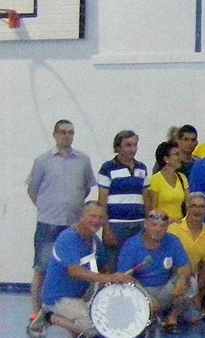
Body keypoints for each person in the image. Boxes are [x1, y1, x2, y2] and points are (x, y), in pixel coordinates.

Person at [26, 120, 97, 326]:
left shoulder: (83, 160)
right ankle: (36, 315)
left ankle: (68, 311)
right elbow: (32, 189)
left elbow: (86, 188)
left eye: (70, 132)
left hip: (74, 226)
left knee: (76, 269)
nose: (67, 136)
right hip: (48, 223)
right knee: (41, 269)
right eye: (63, 132)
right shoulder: (42, 161)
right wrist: (46, 208)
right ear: (55, 135)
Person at [30, 202, 135, 338]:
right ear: (81, 216)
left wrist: (117, 282)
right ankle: (48, 316)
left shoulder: (95, 241)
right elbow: (75, 272)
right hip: (58, 298)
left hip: (80, 296)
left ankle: (73, 325)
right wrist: (111, 278)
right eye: (92, 216)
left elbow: (105, 268)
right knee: (96, 329)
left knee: (106, 321)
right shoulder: (68, 238)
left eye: (100, 217)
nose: (96, 221)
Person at [117, 209, 192, 332]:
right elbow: (124, 276)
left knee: (190, 282)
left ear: (167, 227)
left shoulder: (173, 241)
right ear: (145, 224)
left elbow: (185, 267)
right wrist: (145, 296)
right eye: (154, 225)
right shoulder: (131, 245)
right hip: (142, 290)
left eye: (162, 226)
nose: (158, 229)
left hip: (166, 289)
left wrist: (182, 279)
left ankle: (172, 318)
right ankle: (149, 316)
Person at [97, 130, 149, 269]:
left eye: (135, 145)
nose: (133, 149)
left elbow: (146, 198)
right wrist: (106, 229)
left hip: (138, 224)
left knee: (137, 265)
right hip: (116, 225)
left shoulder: (142, 168)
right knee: (114, 265)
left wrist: (148, 223)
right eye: (128, 145)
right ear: (118, 147)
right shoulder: (108, 168)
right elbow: (102, 201)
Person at [169, 192, 205, 324]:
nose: (197, 210)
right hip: (169, 276)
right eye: (193, 206)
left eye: (201, 206)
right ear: (187, 207)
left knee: (193, 319)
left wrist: (198, 292)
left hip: (191, 281)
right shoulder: (173, 228)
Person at [145, 140, 189, 222]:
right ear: (166, 159)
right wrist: (171, 220)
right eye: (176, 154)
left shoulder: (182, 178)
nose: (180, 157)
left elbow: (188, 203)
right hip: (162, 223)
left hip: (180, 223)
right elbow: (154, 208)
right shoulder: (155, 179)